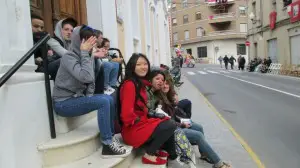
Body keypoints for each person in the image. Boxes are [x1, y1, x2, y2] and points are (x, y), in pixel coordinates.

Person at [52, 25, 128, 157]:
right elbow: (85, 77)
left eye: (91, 40)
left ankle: (110, 137)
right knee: (104, 101)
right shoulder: (68, 57)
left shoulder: (87, 56)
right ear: (77, 40)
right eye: (85, 40)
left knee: (109, 98)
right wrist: (85, 54)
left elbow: (91, 81)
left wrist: (89, 97)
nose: (89, 44)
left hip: (77, 98)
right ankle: (107, 145)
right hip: (63, 103)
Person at [119, 53, 185, 167]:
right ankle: (149, 154)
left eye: (145, 64)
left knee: (167, 121)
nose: (143, 67)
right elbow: (126, 115)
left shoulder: (140, 83)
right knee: (170, 124)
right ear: (132, 66)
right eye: (138, 64)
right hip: (133, 129)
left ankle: (173, 158)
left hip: (141, 123)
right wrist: (144, 120)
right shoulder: (130, 84)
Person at [155, 75, 232, 168]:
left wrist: (183, 120)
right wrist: (182, 124)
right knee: (198, 136)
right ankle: (219, 164)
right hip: (171, 130)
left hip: (175, 124)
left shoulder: (167, 96)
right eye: (163, 84)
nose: (165, 86)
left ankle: (204, 154)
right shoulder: (160, 100)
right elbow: (166, 121)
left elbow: (173, 115)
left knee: (198, 127)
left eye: (167, 84)